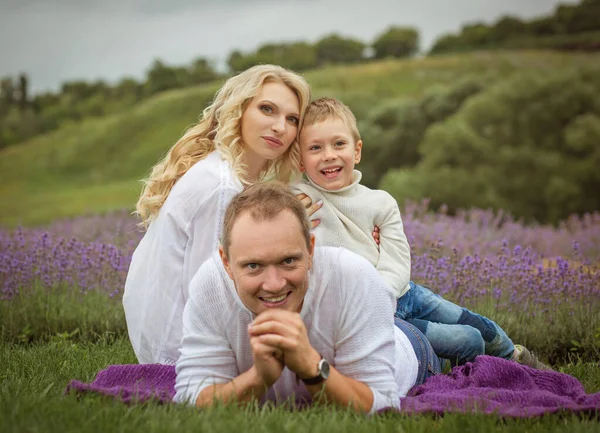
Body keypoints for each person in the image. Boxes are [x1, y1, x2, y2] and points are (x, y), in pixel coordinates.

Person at [293, 97, 550, 369]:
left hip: (404, 294)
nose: (329, 154)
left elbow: (397, 261)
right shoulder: (298, 201)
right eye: (315, 148)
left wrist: (382, 293)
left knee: (481, 327)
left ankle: (516, 358)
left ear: (357, 151)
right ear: (299, 160)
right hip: (367, 313)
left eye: (339, 144)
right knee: (468, 340)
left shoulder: (381, 202)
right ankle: (442, 364)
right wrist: (293, 218)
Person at [174, 182, 441, 413]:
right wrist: (258, 378)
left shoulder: (354, 276)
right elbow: (191, 400)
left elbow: (382, 405)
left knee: (453, 340)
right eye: (253, 266)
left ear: (311, 249)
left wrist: (311, 367)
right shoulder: (210, 286)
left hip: (409, 349)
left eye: (289, 260)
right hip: (362, 329)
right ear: (226, 262)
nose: (275, 284)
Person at [122, 65, 312, 365]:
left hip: (175, 345)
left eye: (292, 119)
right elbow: (214, 292)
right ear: (238, 110)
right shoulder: (221, 187)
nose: (280, 127)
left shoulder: (225, 173)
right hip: (182, 355)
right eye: (267, 109)